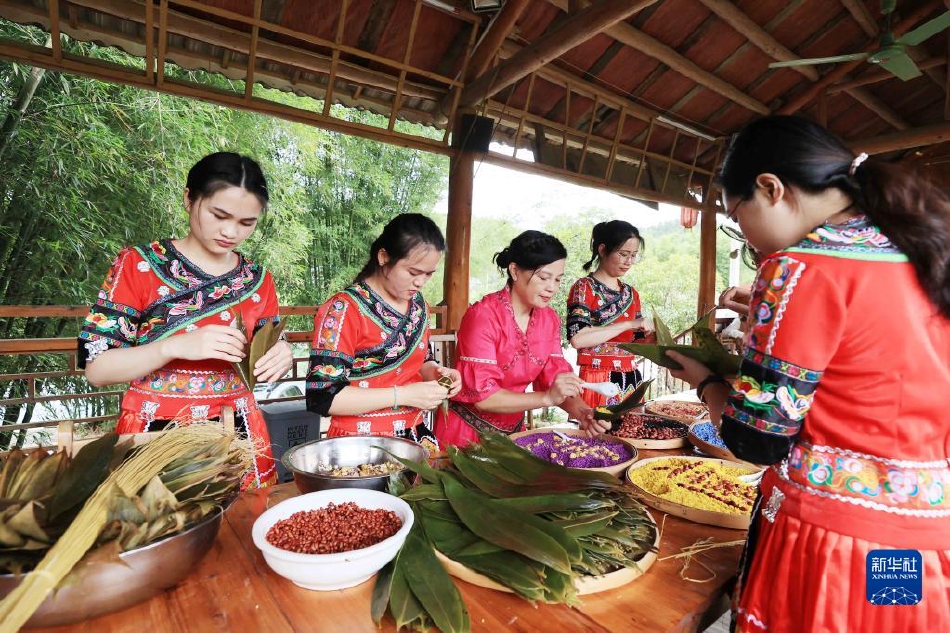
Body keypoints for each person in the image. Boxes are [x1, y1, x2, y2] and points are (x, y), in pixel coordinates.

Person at [666, 115, 950, 631]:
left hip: (830, 546)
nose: (747, 236)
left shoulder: (797, 268)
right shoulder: (923, 256)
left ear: (770, 189)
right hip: (914, 542)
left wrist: (705, 382)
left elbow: (756, 440)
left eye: (737, 215)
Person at [79, 152, 294, 488]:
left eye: (246, 223)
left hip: (239, 431)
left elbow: (268, 341)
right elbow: (96, 369)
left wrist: (282, 351)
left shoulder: (258, 279)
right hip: (155, 433)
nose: (230, 231)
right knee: (157, 528)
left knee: (243, 529)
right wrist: (175, 346)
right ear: (189, 197)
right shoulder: (138, 265)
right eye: (218, 214)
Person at [435, 231, 610, 447]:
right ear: (515, 270)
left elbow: (555, 379)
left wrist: (583, 413)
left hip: (514, 434)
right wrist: (546, 398)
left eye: (557, 279)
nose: (552, 287)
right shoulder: (483, 316)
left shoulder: (549, 319)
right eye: (544, 277)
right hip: (465, 435)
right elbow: (484, 397)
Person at [305, 213, 461, 453]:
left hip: (414, 435)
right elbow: (324, 398)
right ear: (383, 257)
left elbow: (421, 361)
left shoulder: (418, 305)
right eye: (413, 272)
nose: (421, 282)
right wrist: (402, 395)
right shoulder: (343, 310)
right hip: (359, 443)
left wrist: (438, 373)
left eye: (429, 274)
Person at [566, 220, 655, 408]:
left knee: (633, 435)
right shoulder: (583, 288)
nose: (628, 262)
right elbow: (578, 339)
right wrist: (629, 324)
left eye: (633, 256)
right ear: (602, 249)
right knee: (595, 434)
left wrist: (653, 338)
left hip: (631, 378)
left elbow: (636, 343)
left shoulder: (631, 294)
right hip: (597, 379)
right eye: (623, 254)